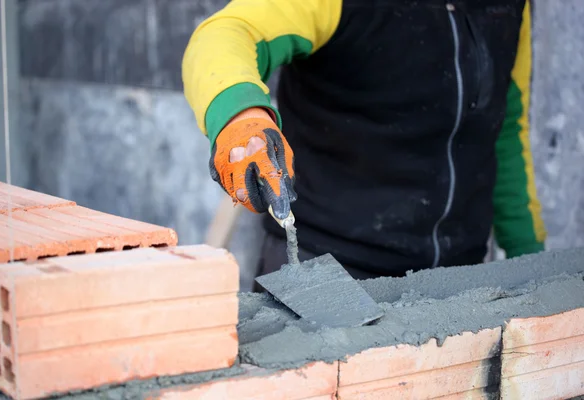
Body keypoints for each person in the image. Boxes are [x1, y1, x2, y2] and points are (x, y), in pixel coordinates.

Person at [181, 0, 546, 285]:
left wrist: (530, 258)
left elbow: (505, 127)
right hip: (323, 268)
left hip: (457, 279)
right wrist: (239, 118)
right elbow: (227, 34)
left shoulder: (511, 7)